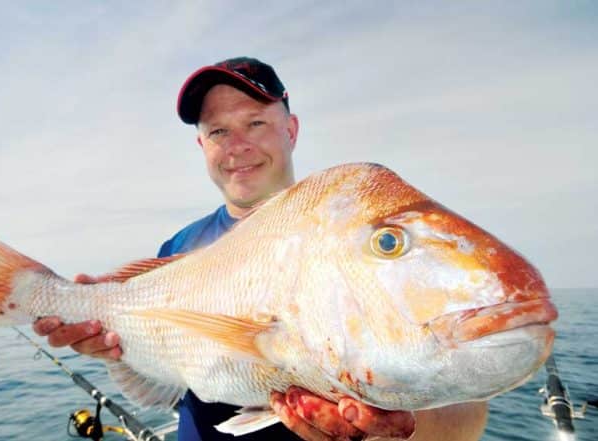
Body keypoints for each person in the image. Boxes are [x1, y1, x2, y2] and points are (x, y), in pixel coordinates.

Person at [34, 57, 488, 441]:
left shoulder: (342, 231)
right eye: (218, 131)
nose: (237, 147)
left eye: (255, 123)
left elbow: (462, 403)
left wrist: (397, 425)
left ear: (291, 130)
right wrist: (114, 342)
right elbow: (164, 367)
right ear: (201, 145)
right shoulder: (178, 246)